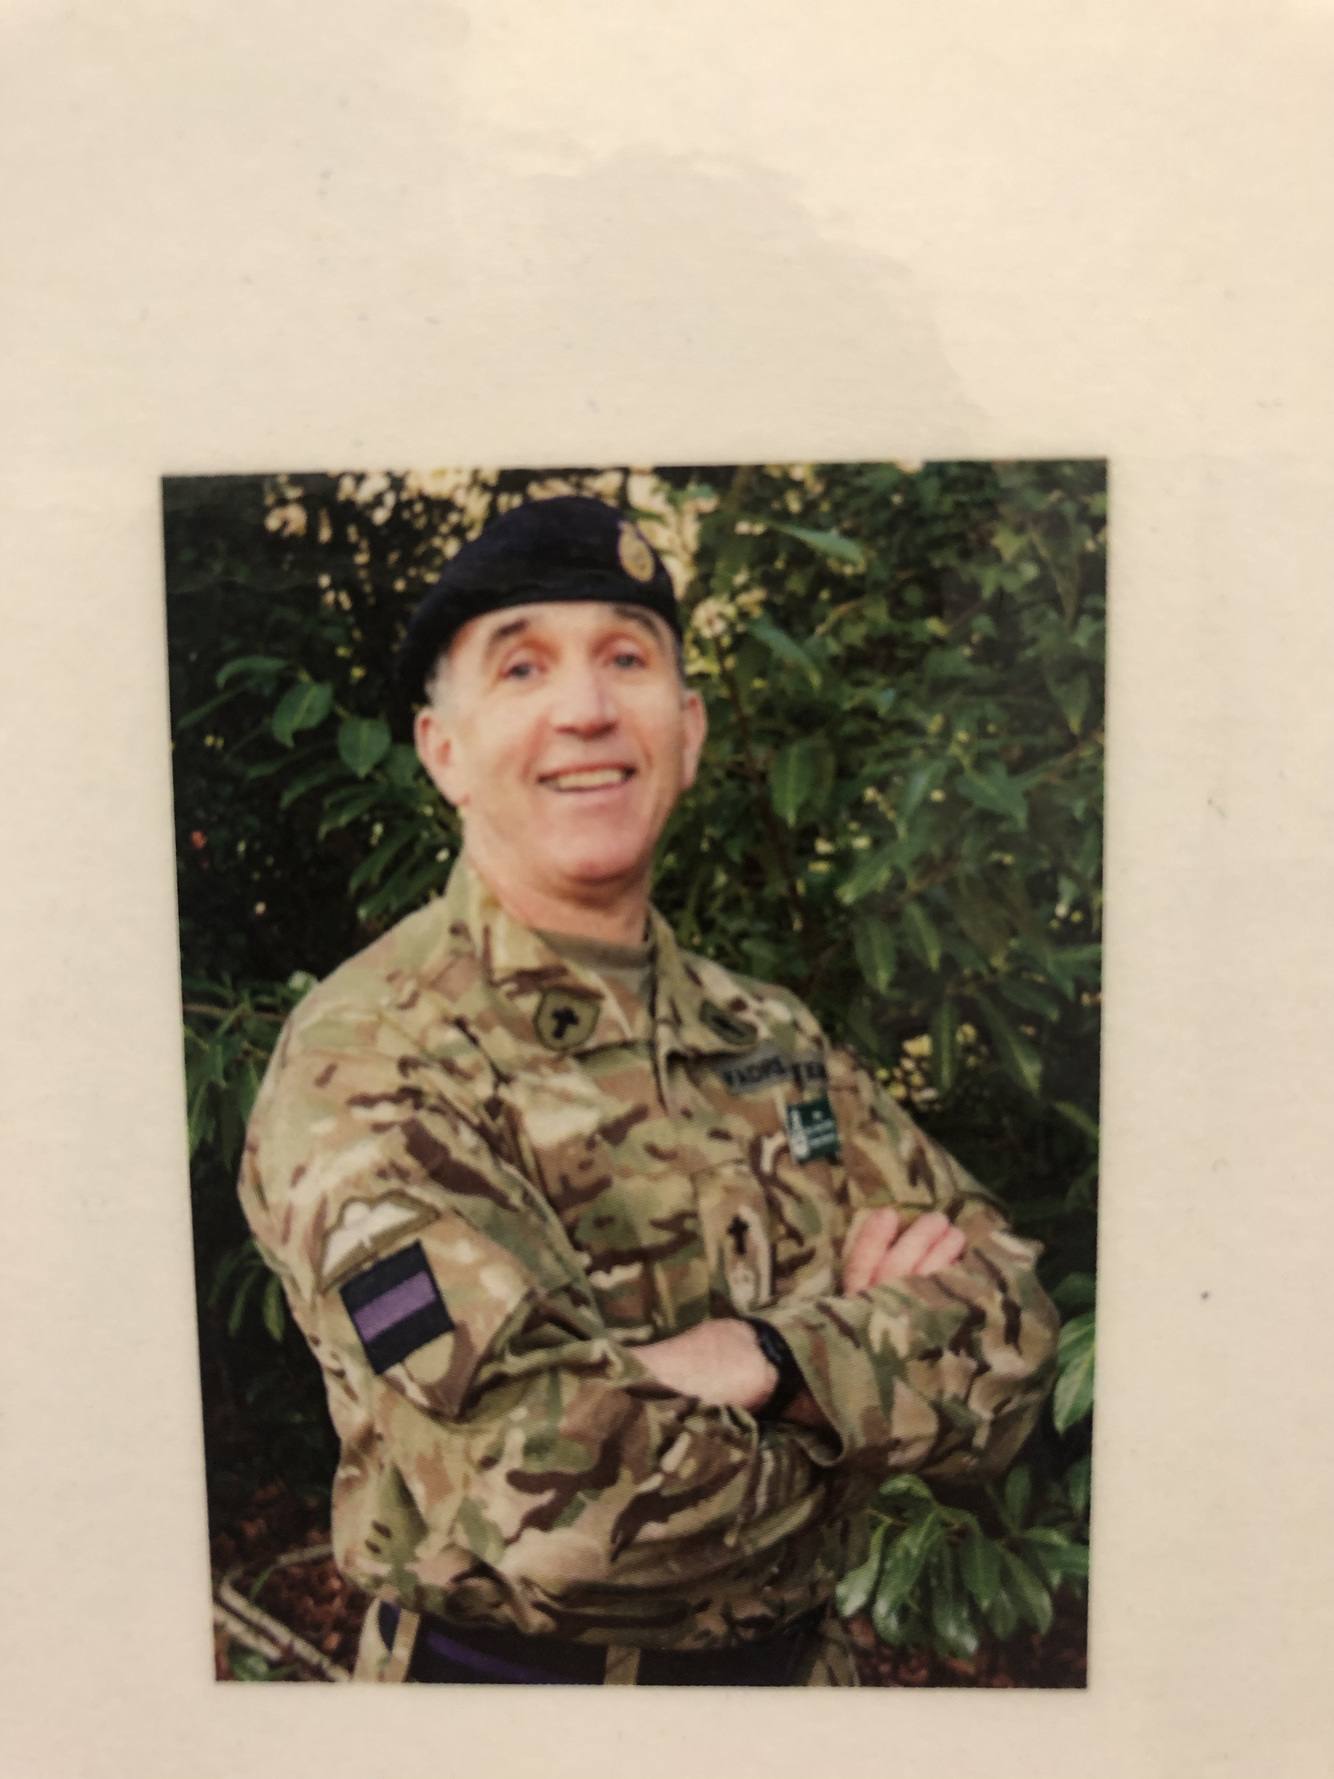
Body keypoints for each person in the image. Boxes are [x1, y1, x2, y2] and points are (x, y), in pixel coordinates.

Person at [238, 494, 1059, 1687]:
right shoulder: (369, 1059)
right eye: (521, 666)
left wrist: (765, 1358)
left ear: (687, 728)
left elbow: (1016, 1327)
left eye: (625, 658)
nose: (584, 708)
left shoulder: (766, 1034)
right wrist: (868, 1407)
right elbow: (556, 1507)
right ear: (442, 749)